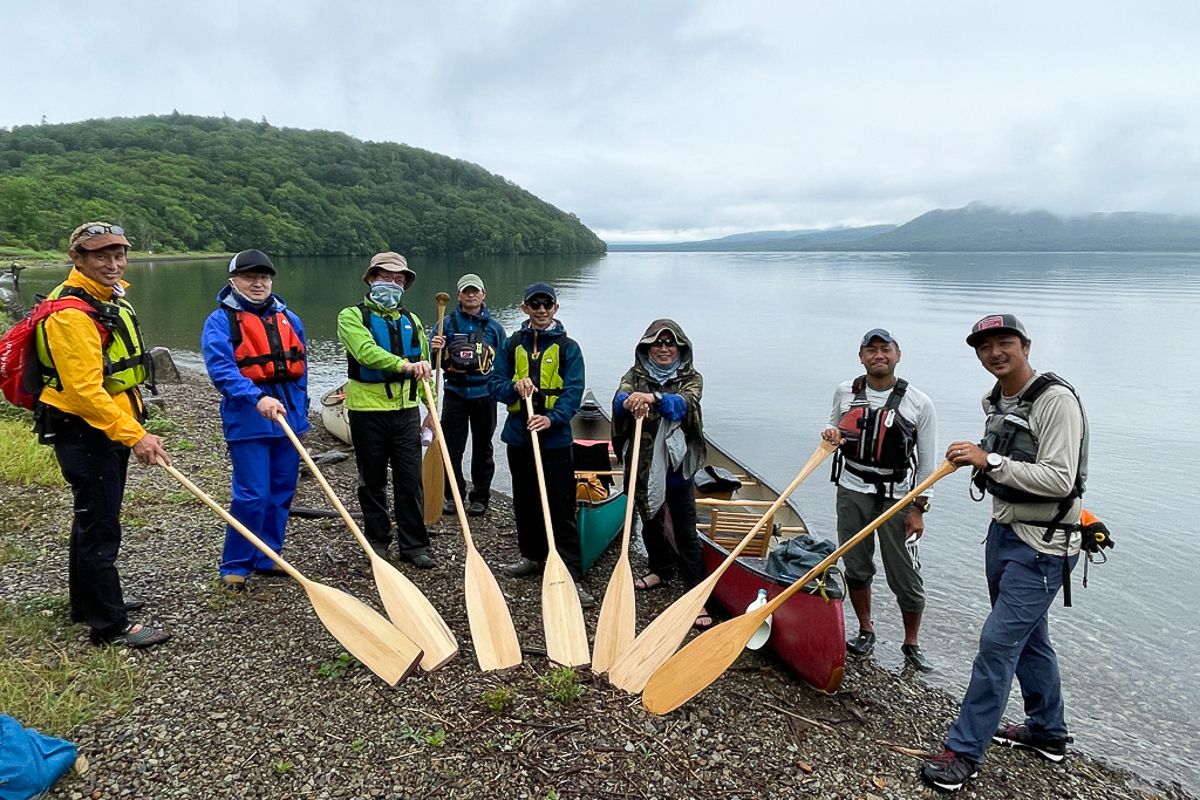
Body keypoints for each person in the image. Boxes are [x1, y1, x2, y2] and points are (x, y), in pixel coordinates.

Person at [921, 314, 1088, 793]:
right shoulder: (995, 399)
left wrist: (988, 459)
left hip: (1043, 547)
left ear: (1025, 345)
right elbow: (1012, 460)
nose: (995, 352)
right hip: (1005, 534)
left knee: (997, 644)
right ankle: (1048, 733)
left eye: (1005, 342)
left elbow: (1060, 478)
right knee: (1030, 640)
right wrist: (981, 453)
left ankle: (963, 753)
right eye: (985, 345)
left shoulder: (1056, 401)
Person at [33, 222, 169, 648]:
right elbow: (84, 391)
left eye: (118, 254)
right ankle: (108, 626)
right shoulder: (72, 313)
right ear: (77, 258)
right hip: (87, 430)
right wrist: (135, 435)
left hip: (100, 427)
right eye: (100, 256)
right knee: (101, 525)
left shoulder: (103, 298)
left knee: (92, 518)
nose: (113, 263)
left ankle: (88, 603)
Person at [821, 328, 938, 672]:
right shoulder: (846, 392)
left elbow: (928, 463)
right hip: (852, 490)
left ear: (897, 354)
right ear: (861, 357)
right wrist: (831, 435)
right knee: (856, 564)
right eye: (870, 351)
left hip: (897, 497)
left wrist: (919, 508)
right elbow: (834, 432)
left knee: (904, 572)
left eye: (884, 349)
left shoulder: (919, 403)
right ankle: (865, 630)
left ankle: (912, 642)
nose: (878, 356)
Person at [201, 249, 309, 592]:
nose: (259, 283)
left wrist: (301, 412)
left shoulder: (289, 318)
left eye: (264, 277)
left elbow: (301, 369)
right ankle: (236, 563)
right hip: (248, 419)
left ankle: (269, 555)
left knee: (281, 490)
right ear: (234, 281)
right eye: (250, 277)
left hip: (288, 417)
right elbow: (222, 370)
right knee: (252, 494)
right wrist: (255, 397)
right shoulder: (220, 321)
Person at [489, 282, 592, 607]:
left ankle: (570, 571)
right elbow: (495, 384)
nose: (542, 310)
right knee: (526, 501)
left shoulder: (569, 348)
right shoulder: (511, 344)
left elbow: (574, 391)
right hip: (520, 437)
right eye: (536, 305)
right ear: (525, 308)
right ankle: (532, 556)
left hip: (555, 439)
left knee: (561, 505)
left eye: (547, 304)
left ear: (555, 309)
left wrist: (551, 419)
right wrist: (513, 387)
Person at [336, 252, 435, 569]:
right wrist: (405, 366)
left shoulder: (413, 320)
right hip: (367, 413)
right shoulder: (351, 316)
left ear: (405, 284)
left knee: (410, 481)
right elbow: (366, 353)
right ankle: (378, 542)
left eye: (398, 279)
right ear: (371, 279)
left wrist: (430, 408)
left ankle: (414, 545)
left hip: (406, 413)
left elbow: (424, 367)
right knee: (372, 481)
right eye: (385, 277)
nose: (391, 284)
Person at [611, 320, 711, 628]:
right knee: (650, 522)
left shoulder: (691, 377)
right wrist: (628, 401)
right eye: (657, 344)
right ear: (647, 349)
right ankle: (660, 570)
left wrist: (653, 398)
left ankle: (696, 596)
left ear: (680, 348)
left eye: (670, 344)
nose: (664, 349)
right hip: (642, 464)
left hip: (676, 469)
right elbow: (619, 398)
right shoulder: (635, 375)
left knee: (685, 532)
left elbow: (684, 403)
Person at [428, 273, 506, 517]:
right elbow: (432, 363)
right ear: (459, 295)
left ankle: (480, 497)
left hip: (485, 394)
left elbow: (504, 363)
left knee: (483, 448)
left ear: (483, 294)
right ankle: (453, 495)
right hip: (455, 393)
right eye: (466, 291)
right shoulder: (446, 323)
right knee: (452, 447)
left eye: (475, 291)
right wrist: (435, 350)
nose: (471, 295)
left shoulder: (495, 328)